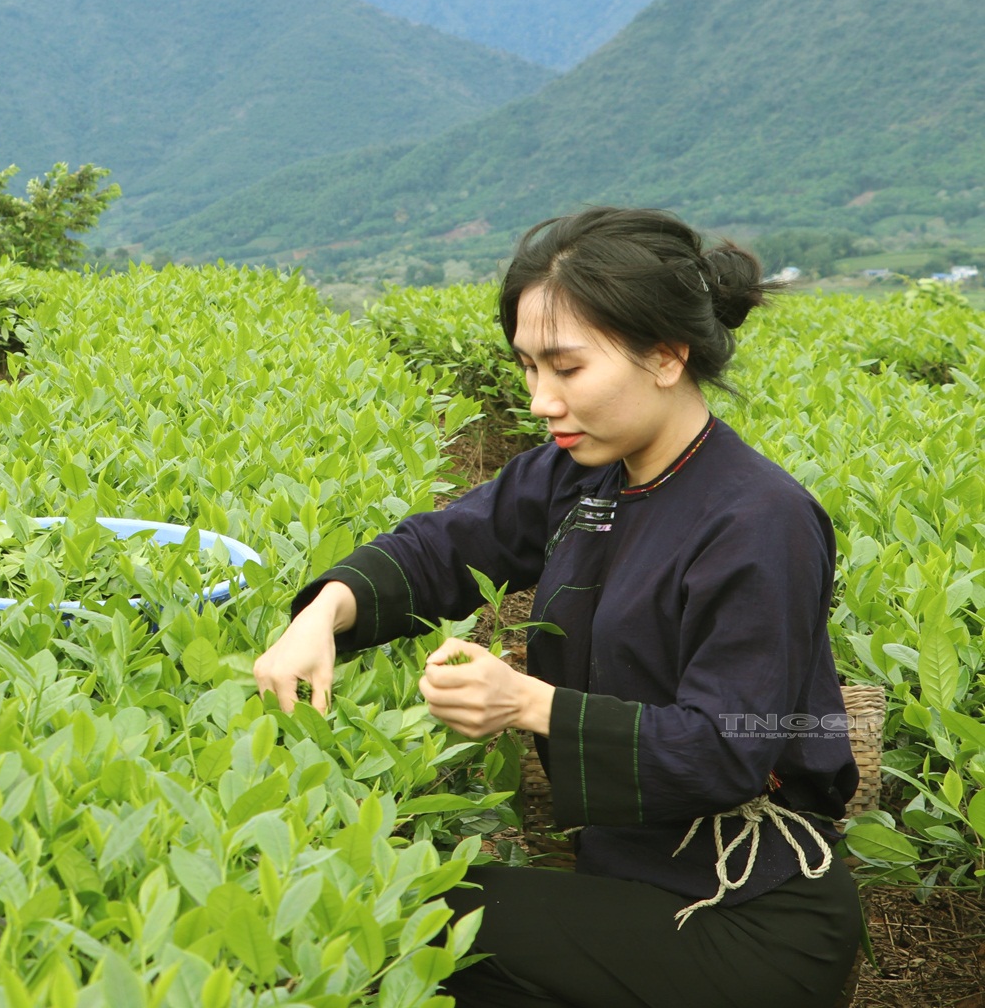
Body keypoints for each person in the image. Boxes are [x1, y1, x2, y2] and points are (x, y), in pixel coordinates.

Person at [253, 208, 863, 1007]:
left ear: (666, 355)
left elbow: (727, 746)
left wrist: (528, 704)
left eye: (567, 369)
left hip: (748, 912)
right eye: (528, 367)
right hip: (631, 882)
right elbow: (444, 547)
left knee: (408, 917)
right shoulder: (581, 472)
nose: (541, 400)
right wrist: (322, 614)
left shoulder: (758, 520)